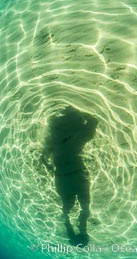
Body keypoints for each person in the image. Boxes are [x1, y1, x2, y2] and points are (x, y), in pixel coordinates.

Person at [41, 106, 98, 247]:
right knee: (83, 206)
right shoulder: (78, 138)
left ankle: (76, 232)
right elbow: (93, 121)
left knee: (68, 207)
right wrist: (80, 112)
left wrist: (50, 168)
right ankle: (80, 233)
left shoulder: (53, 142)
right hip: (77, 174)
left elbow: (43, 157)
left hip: (63, 177)